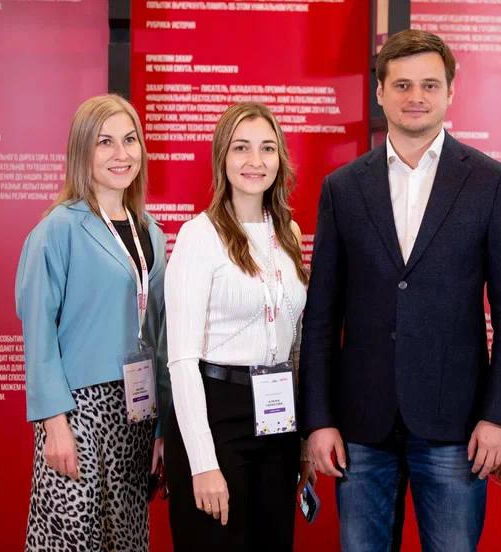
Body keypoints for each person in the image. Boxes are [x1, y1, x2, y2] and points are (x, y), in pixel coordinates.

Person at [300, 29, 501, 551]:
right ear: (379, 92)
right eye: (402, 85)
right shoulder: (342, 187)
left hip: (457, 426)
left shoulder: (491, 183)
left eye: (429, 85)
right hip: (362, 426)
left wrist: (500, 416)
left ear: (450, 92)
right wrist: (319, 420)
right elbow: (321, 316)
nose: (416, 97)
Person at [16, 94, 168, 551]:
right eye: (105, 142)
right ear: (83, 151)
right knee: (73, 539)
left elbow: (159, 333)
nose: (121, 154)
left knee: (126, 539)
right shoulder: (58, 228)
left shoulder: (151, 231)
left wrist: (160, 428)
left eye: (130, 140)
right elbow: (38, 331)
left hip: (137, 412)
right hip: (78, 412)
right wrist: (54, 423)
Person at [163, 102, 314, 550]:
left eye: (267, 148)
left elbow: (295, 342)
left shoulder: (288, 233)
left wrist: (302, 441)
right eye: (241, 147)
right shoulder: (198, 236)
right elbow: (181, 360)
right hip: (216, 414)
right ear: (222, 158)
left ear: (280, 159)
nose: (255, 161)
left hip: (276, 418)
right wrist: (203, 462)